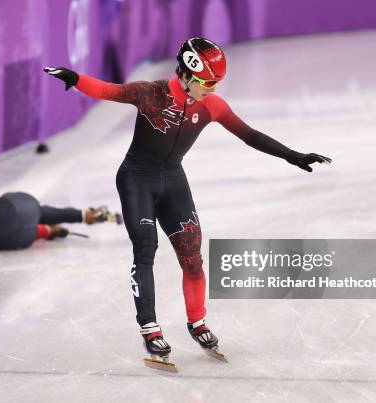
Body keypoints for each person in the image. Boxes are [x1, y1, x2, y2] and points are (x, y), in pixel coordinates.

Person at [44, 37, 331, 365]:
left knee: (193, 256)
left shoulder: (212, 105)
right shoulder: (150, 93)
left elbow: (249, 134)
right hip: (136, 177)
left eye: (215, 83)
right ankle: (150, 328)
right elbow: (108, 90)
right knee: (145, 248)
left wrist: (293, 156)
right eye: (207, 82)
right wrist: (75, 79)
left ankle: (197, 321)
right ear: (188, 73)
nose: (211, 89)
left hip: (173, 180)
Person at [0, 109, 121, 250]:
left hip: (18, 240)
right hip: (20, 210)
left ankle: (49, 231)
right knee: (23, 211)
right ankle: (83, 215)